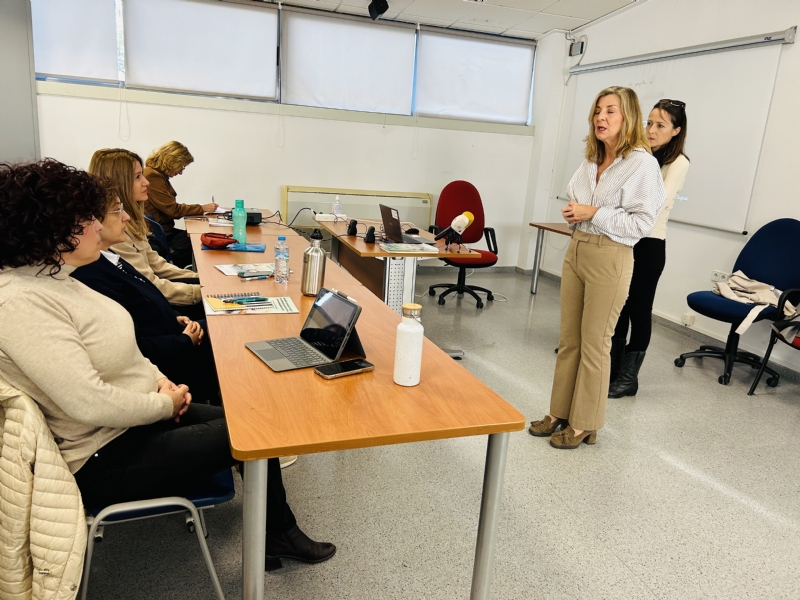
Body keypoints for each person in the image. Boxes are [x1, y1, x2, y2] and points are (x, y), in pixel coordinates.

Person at [0, 159, 335, 568]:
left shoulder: (55, 276)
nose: (101, 224)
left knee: (258, 422)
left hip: (136, 419)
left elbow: (123, 352)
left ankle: (278, 534)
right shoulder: (19, 301)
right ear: (55, 227)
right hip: (105, 455)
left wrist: (160, 383)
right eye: (88, 217)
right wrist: (166, 403)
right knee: (260, 433)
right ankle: (281, 535)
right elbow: (87, 402)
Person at [528, 86, 666, 449]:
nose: (601, 118)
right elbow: (577, 197)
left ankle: (585, 424)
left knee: (595, 344)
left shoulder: (643, 164)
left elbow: (641, 225)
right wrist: (579, 213)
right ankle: (559, 412)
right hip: (578, 251)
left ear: (628, 119)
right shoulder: (591, 159)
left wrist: (593, 213)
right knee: (569, 341)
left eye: (610, 112)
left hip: (611, 255)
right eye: (597, 111)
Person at [71, 194, 221, 404]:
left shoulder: (108, 258)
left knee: (228, 324)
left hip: (170, 337)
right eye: (117, 211)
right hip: (170, 354)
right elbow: (135, 346)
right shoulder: (89, 274)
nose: (126, 217)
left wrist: (174, 315)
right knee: (227, 326)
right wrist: (185, 339)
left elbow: (148, 292)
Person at [609, 99, 690, 398]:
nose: (651, 130)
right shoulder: (638, 156)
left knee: (639, 311)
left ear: (676, 130)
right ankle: (613, 371)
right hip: (624, 240)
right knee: (618, 309)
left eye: (660, 125)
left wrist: (623, 204)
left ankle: (629, 379)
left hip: (650, 245)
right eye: (649, 123)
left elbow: (653, 203)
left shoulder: (678, 162)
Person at [88, 148, 205, 321]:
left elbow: (156, 264)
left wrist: (200, 278)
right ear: (120, 182)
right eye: (137, 177)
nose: (146, 182)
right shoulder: (113, 233)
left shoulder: (131, 219)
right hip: (157, 303)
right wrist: (204, 291)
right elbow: (151, 284)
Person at [143, 141, 217, 268]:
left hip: (163, 230)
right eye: (181, 167)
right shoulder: (152, 176)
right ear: (172, 161)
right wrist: (202, 208)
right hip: (159, 234)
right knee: (200, 237)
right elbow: (173, 210)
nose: (181, 172)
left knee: (202, 236)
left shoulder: (158, 175)